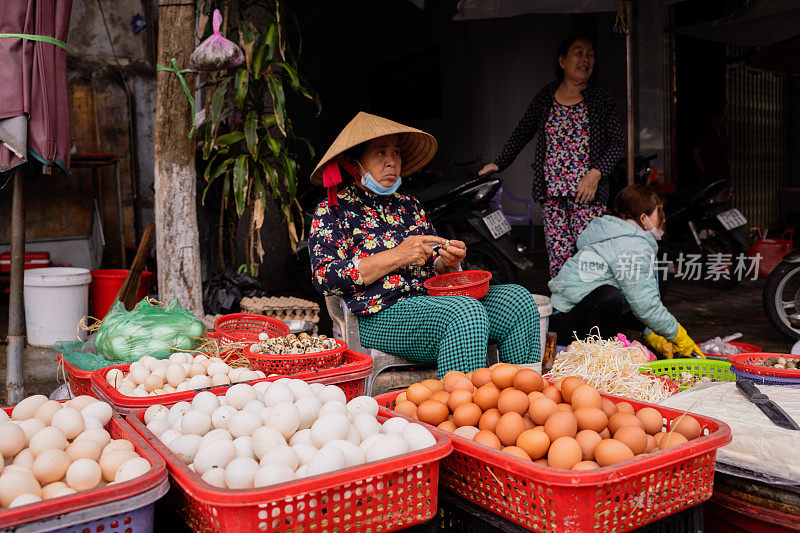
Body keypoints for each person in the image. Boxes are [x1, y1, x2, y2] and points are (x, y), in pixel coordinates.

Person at [308, 112, 541, 377]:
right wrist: (399, 255)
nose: (391, 162)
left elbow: (433, 265)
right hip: (381, 315)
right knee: (464, 313)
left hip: (431, 303)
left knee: (518, 301)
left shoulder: (410, 206)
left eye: (395, 153)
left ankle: (521, 399)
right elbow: (325, 278)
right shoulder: (333, 211)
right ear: (354, 163)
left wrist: (447, 261)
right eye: (380, 153)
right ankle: (463, 410)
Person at [479, 34, 624, 278]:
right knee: (559, 264)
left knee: (590, 262)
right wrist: (499, 162)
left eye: (590, 54)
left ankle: (593, 312)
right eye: (579, 53)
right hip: (553, 197)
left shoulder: (601, 98)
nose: (585, 59)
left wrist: (594, 174)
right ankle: (562, 313)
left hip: (587, 197)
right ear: (562, 61)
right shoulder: (546, 97)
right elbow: (523, 131)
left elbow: (616, 144)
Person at [547, 184, 704, 358]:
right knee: (610, 296)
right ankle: (600, 359)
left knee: (653, 281)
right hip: (564, 324)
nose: (663, 220)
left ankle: (621, 342)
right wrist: (680, 337)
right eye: (659, 214)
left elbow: (640, 297)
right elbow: (646, 306)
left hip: (578, 314)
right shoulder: (633, 246)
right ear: (644, 218)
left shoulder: (618, 232)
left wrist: (650, 334)